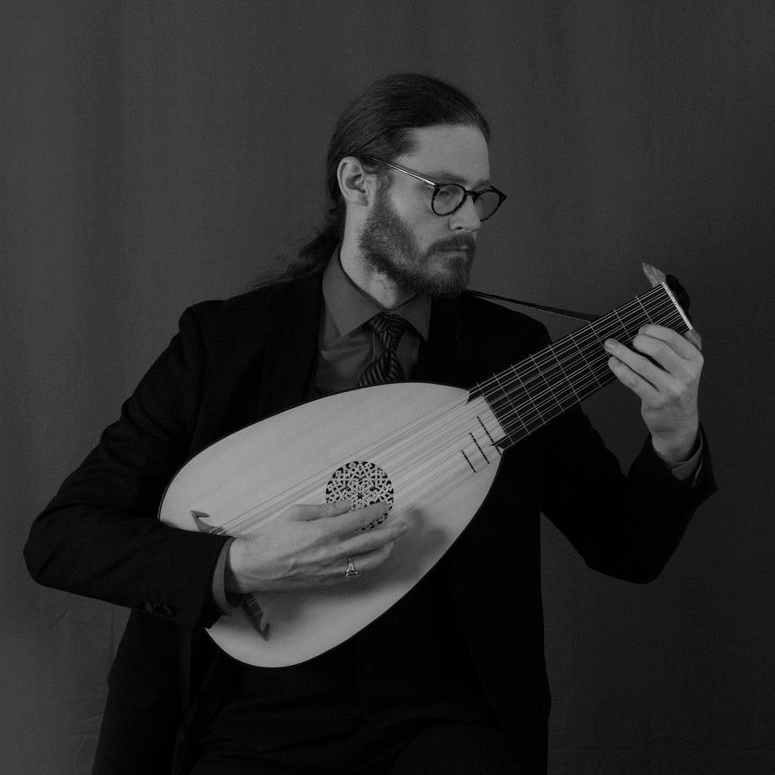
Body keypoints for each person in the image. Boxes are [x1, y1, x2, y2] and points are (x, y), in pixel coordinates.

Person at [24, 73, 715, 775]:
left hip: (442, 724)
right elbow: (62, 539)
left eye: (479, 196)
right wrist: (239, 564)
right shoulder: (224, 345)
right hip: (253, 723)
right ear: (358, 183)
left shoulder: (509, 354)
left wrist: (673, 437)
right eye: (443, 191)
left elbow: (625, 547)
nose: (469, 220)